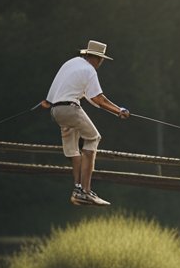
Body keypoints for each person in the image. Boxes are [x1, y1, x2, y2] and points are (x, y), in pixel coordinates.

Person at [41, 40, 130, 207]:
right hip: (70, 109)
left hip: (56, 111)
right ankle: (86, 192)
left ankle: (77, 190)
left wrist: (47, 101)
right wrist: (119, 111)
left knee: (74, 151)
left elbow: (89, 97)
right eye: (101, 60)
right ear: (97, 58)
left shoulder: (71, 63)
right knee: (93, 138)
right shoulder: (89, 70)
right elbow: (98, 99)